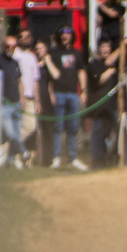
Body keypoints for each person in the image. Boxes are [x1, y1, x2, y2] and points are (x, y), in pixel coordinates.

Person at [45, 25, 87, 169]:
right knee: (57, 127)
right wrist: (51, 93)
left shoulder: (77, 53)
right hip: (58, 94)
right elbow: (50, 77)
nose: (65, 36)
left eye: (68, 34)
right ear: (59, 36)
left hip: (73, 94)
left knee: (73, 127)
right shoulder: (53, 52)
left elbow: (81, 72)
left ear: (72, 36)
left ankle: (73, 158)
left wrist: (83, 91)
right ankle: (56, 158)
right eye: (62, 34)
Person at [0, 34, 25, 166]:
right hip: (3, 104)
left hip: (16, 102)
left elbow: (19, 81)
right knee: (10, 133)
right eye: (8, 46)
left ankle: (11, 161)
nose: (10, 49)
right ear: (3, 46)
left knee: (17, 133)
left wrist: (22, 98)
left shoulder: (15, 62)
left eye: (13, 46)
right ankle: (23, 151)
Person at [87, 36, 120, 166]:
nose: (106, 49)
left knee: (110, 134)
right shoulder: (94, 63)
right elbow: (99, 80)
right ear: (99, 49)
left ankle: (107, 159)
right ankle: (96, 161)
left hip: (111, 106)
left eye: (108, 47)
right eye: (103, 47)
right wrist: (111, 71)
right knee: (97, 134)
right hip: (98, 107)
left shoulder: (114, 63)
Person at [12, 30, 42, 161]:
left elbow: (35, 80)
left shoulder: (32, 57)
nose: (24, 39)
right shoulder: (14, 56)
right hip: (17, 97)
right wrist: (20, 97)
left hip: (30, 98)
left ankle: (8, 149)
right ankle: (14, 157)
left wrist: (38, 100)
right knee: (17, 127)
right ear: (18, 39)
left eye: (27, 37)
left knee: (31, 127)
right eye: (21, 37)